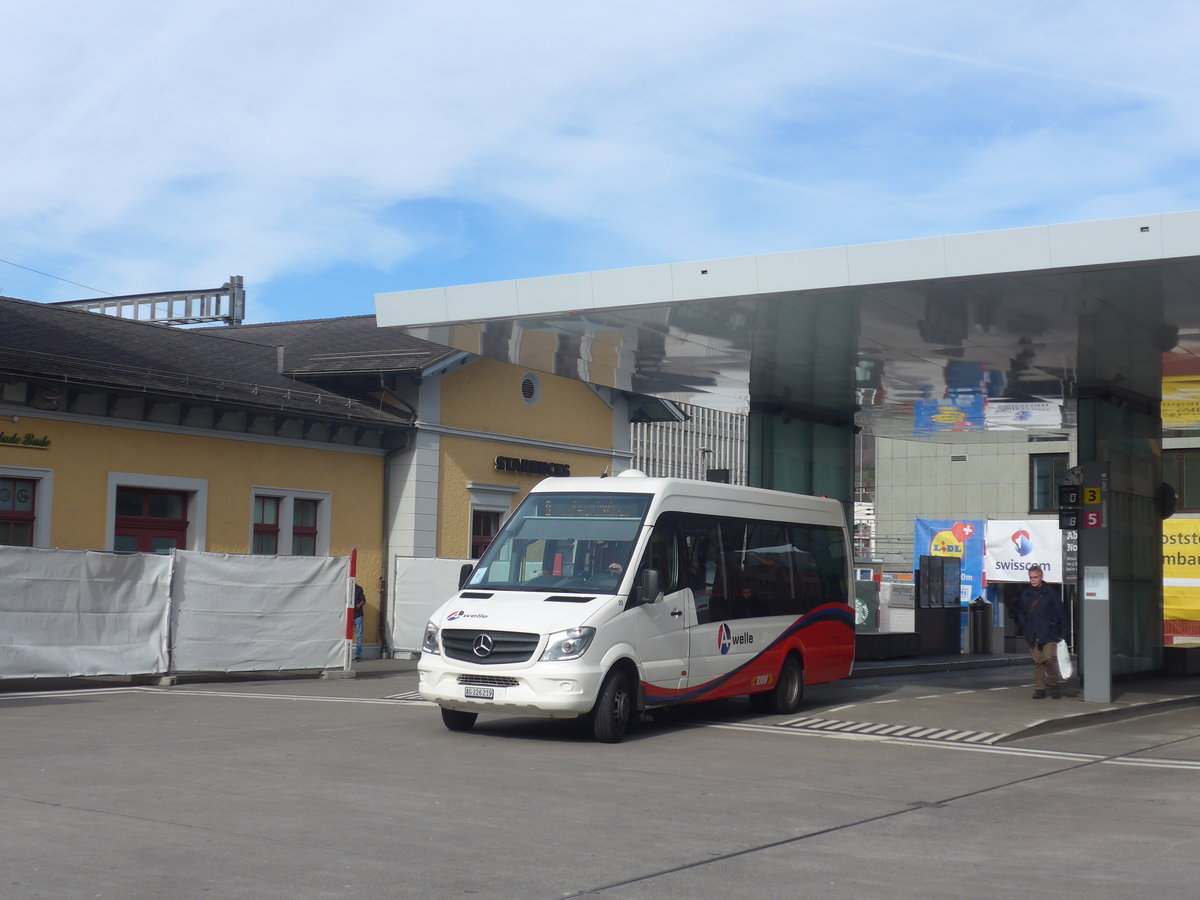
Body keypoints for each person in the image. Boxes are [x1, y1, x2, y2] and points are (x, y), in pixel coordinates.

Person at [1014, 565, 1066, 699]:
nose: (1033, 580)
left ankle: (1053, 684)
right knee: (1038, 661)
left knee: (1049, 658)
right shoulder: (1026, 593)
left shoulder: (1051, 593)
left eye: (1035, 577)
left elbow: (1061, 613)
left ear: (1041, 577)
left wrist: (1062, 633)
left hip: (1049, 632)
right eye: (1031, 577)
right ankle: (1040, 689)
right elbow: (1019, 611)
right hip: (1032, 632)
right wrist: (1024, 625)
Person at [353, 583, 366, 661]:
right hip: (348, 615)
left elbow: (363, 601)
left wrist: (358, 606)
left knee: (359, 636)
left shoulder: (359, 588)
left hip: (358, 615)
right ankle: (345, 655)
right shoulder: (346, 588)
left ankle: (358, 655)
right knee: (346, 636)